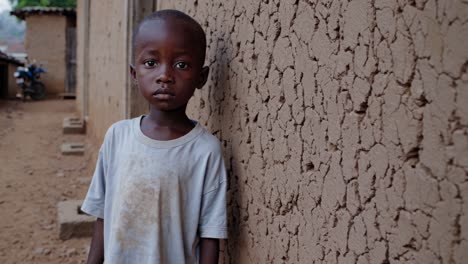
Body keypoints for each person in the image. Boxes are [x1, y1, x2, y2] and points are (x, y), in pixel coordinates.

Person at [81, 9, 228, 264]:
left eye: (181, 65)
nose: (165, 75)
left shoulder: (205, 150)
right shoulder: (118, 136)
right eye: (151, 63)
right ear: (134, 73)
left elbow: (210, 236)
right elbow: (103, 215)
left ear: (201, 78)